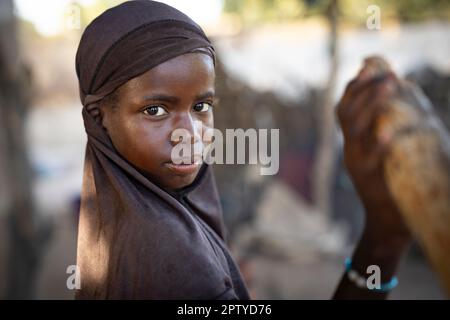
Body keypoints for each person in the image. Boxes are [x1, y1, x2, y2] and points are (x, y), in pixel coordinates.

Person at [75, 0, 411, 299]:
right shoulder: (173, 257)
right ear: (99, 117)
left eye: (201, 106)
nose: (190, 135)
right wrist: (383, 240)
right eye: (155, 111)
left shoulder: (110, 222)